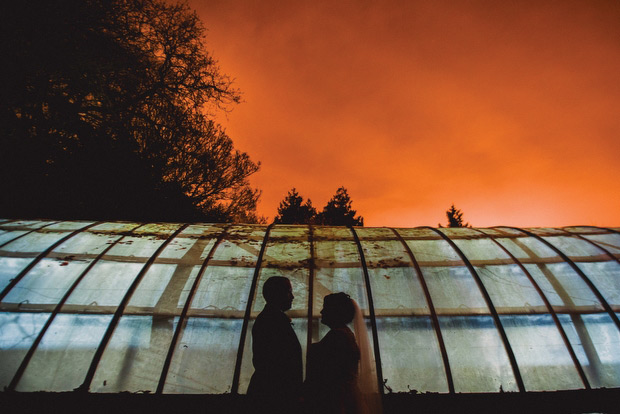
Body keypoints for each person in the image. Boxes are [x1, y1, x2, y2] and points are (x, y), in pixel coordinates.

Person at [304, 292, 382, 414]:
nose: (321, 312)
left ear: (335, 311)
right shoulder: (345, 335)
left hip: (336, 401)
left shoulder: (337, 337)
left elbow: (329, 374)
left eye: (325, 308)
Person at [247, 276, 302, 413]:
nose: (293, 296)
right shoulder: (273, 320)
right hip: (274, 395)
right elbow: (279, 362)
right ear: (277, 293)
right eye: (289, 291)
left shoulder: (270, 318)